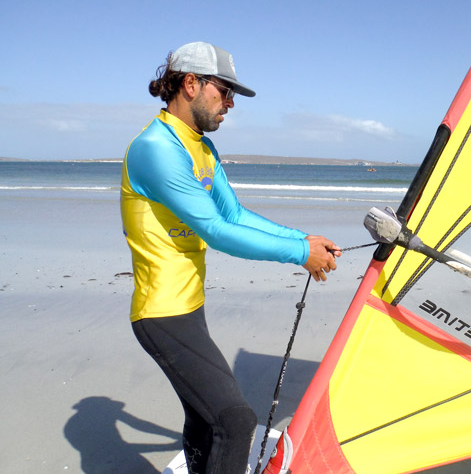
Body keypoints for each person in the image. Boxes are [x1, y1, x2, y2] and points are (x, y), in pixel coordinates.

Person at [120, 41, 340, 474]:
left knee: (204, 418)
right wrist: (299, 253)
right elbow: (216, 231)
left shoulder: (199, 145)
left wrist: (302, 237)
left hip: (190, 306)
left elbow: (234, 214)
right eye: (225, 91)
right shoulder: (156, 149)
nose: (231, 103)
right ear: (190, 84)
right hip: (161, 313)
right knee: (235, 421)